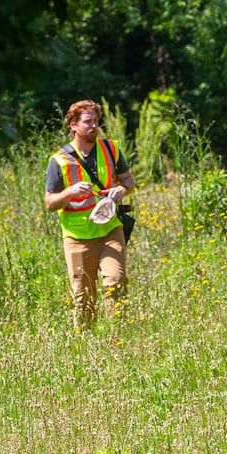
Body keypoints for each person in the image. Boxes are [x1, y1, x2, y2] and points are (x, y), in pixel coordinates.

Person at [45, 100, 137, 328]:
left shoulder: (111, 148)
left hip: (110, 230)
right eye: (87, 122)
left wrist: (121, 190)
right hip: (77, 237)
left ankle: (119, 337)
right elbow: (50, 203)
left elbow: (128, 181)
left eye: (96, 121)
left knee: (116, 282)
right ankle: (85, 343)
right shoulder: (59, 161)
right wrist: (70, 192)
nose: (93, 126)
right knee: (83, 297)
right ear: (73, 125)